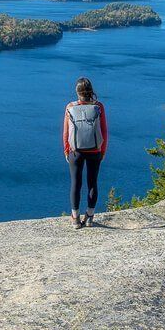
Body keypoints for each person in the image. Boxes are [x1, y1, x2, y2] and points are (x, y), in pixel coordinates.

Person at [63, 77, 108, 229]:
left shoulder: (70, 107)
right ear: (91, 91)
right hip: (95, 149)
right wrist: (102, 150)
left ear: (77, 92)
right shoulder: (98, 106)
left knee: (76, 183)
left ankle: (75, 219)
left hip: (75, 151)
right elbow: (104, 131)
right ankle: (89, 216)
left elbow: (66, 132)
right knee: (92, 183)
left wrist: (66, 150)